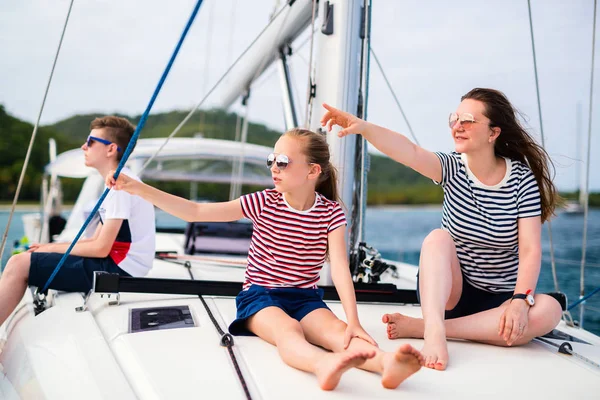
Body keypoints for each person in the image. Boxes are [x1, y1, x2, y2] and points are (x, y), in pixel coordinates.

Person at [106, 127, 422, 391]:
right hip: (259, 297)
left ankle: (386, 363)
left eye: (282, 161)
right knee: (288, 332)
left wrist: (353, 321)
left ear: (313, 171)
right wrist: (138, 188)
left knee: (338, 333)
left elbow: (339, 266)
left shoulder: (330, 212)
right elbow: (196, 211)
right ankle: (322, 364)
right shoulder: (263, 201)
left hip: (306, 298)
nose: (273, 167)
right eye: (272, 160)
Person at [321, 88, 563, 371]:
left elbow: (530, 249)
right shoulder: (451, 167)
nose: (457, 127)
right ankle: (435, 332)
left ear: (493, 133)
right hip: (451, 294)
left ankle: (427, 327)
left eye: (468, 120)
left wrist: (521, 301)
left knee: (550, 310)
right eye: (454, 119)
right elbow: (409, 152)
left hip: (501, 302)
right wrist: (364, 128)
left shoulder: (521, 179)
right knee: (438, 238)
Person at [0, 116, 156, 327]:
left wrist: (51, 249)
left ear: (110, 149)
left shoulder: (120, 186)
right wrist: (49, 248)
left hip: (118, 269)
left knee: (18, 264)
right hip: (120, 265)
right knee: (30, 256)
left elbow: (101, 248)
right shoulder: (117, 182)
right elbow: (96, 239)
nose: (84, 146)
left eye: (91, 142)